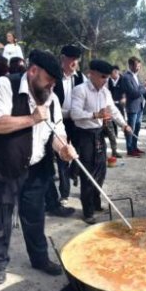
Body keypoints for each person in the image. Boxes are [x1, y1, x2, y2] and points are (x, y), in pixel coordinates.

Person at [0, 49, 77, 285]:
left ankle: (39, 259)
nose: (51, 86)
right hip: (4, 166)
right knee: (1, 217)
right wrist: (31, 119)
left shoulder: (52, 98)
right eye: (49, 79)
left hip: (37, 167)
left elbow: (57, 133)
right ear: (33, 71)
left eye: (55, 82)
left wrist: (64, 150)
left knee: (35, 216)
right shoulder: (4, 85)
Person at [71, 59, 132, 224]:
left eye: (107, 77)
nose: (105, 80)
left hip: (98, 134)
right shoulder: (80, 90)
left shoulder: (106, 92)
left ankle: (96, 203)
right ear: (92, 74)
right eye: (103, 77)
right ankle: (88, 211)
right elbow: (75, 113)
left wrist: (125, 125)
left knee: (100, 171)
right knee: (88, 174)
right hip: (84, 136)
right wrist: (94, 115)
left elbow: (113, 111)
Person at [52, 44, 86, 203]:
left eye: (77, 60)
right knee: (62, 156)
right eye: (72, 60)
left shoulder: (81, 78)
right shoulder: (54, 77)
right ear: (63, 59)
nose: (75, 63)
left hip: (77, 122)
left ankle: (74, 172)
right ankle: (64, 193)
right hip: (60, 122)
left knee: (79, 152)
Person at [121, 56, 146, 157]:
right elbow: (133, 93)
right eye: (136, 66)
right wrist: (145, 87)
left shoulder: (135, 76)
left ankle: (134, 147)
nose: (138, 68)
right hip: (132, 107)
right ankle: (129, 149)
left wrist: (144, 86)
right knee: (131, 129)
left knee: (137, 129)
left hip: (139, 107)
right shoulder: (126, 77)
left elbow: (139, 89)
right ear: (130, 65)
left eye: (139, 66)